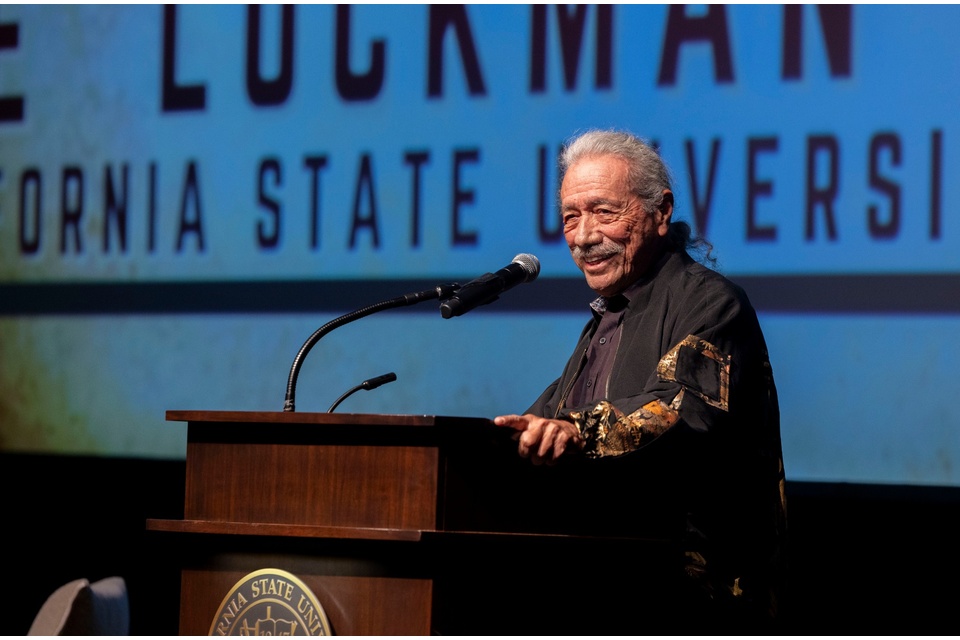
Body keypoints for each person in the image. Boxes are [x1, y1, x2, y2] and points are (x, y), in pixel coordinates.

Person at [494, 129, 787, 631]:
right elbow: (542, 423)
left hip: (692, 604)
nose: (584, 236)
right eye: (571, 217)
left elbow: (683, 411)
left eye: (604, 212)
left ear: (660, 211)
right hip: (601, 596)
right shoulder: (605, 323)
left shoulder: (711, 303)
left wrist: (577, 432)